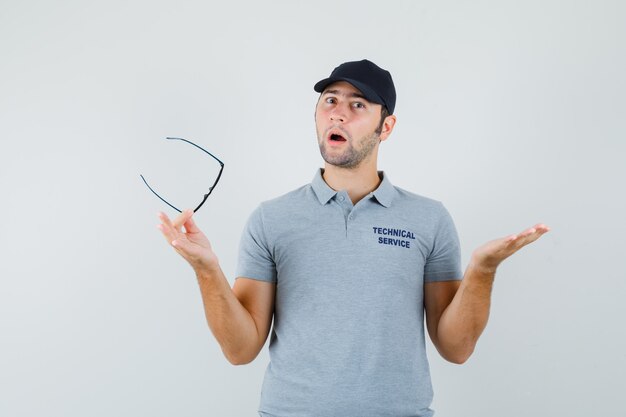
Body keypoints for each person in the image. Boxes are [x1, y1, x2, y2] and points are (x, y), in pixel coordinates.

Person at [156, 59, 550, 417]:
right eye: (330, 101)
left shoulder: (429, 219)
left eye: (358, 104)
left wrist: (482, 270)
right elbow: (240, 350)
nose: (339, 113)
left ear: (387, 126)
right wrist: (207, 270)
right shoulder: (271, 220)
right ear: (316, 115)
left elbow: (456, 348)